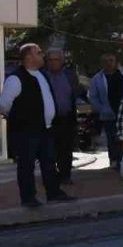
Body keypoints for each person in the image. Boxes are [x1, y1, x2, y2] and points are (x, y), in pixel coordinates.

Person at [0, 43, 69, 207]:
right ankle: (28, 198)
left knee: (49, 163)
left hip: (46, 129)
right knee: (27, 165)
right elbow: (4, 104)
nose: (42, 55)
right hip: (26, 131)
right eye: (39, 52)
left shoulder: (42, 75)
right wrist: (19, 118)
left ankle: (53, 193)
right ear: (29, 57)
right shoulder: (16, 78)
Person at [42, 49, 83, 185]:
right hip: (48, 121)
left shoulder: (70, 75)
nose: (53, 63)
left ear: (62, 61)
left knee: (66, 149)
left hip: (67, 119)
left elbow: (75, 93)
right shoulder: (41, 76)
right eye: (50, 60)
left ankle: (65, 175)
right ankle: (51, 177)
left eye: (56, 60)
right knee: (49, 151)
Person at [87, 53, 123, 169]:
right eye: (105, 61)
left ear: (115, 62)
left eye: (111, 60)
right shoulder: (97, 78)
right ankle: (115, 161)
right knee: (112, 139)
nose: (109, 63)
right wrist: (102, 109)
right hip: (108, 114)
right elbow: (93, 97)